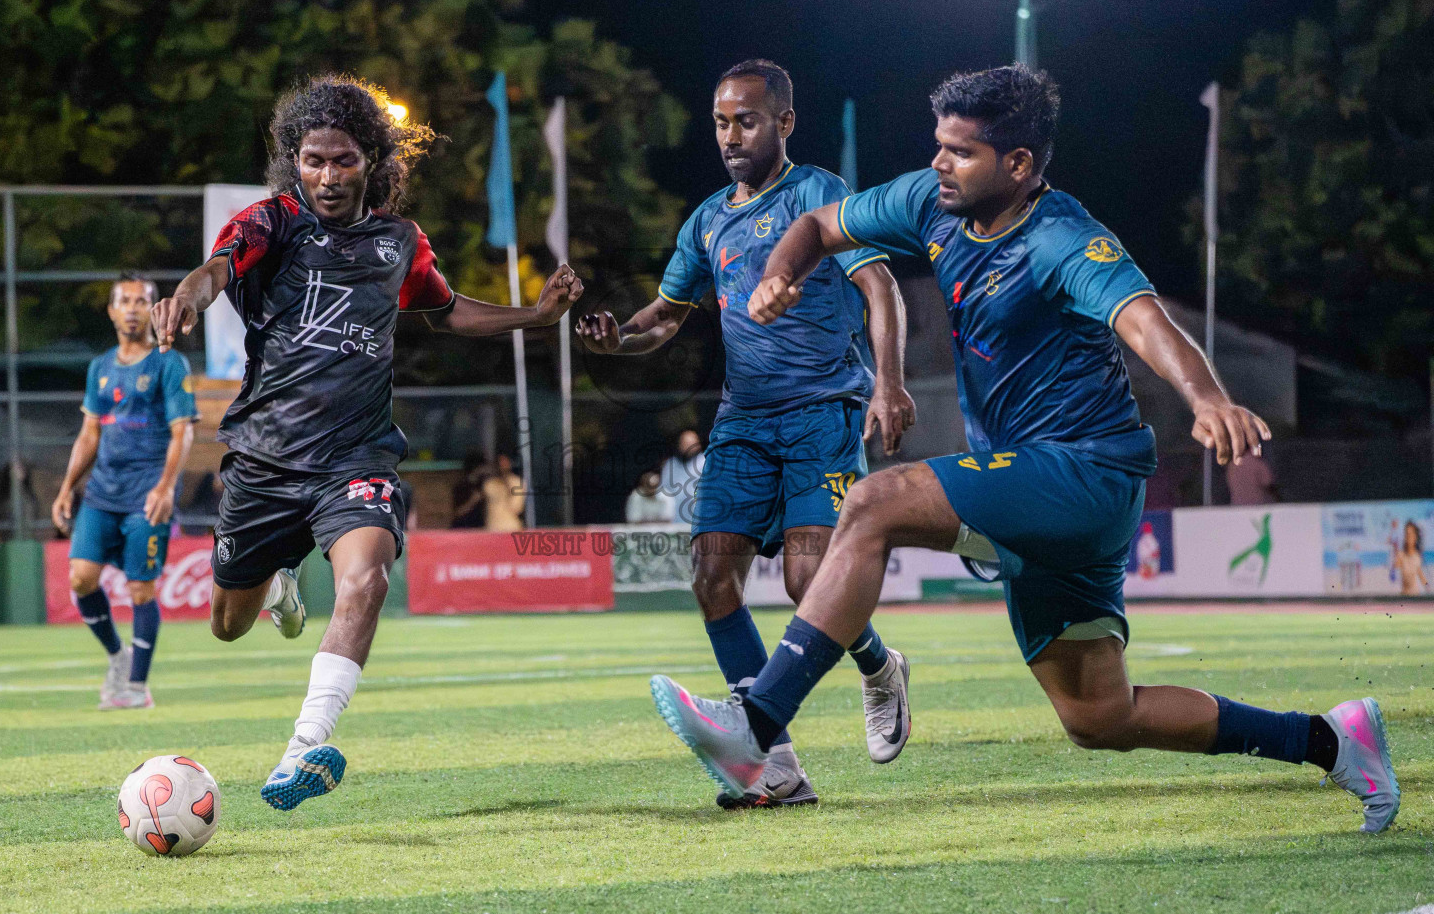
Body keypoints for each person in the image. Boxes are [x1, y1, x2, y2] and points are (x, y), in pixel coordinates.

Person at [649, 64, 1399, 834]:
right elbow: (817, 226)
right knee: (1100, 716)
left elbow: (1144, 322)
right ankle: (1332, 740)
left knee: (872, 501)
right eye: (938, 146)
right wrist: (779, 273)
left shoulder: (1062, 237)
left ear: (1018, 165)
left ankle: (758, 727)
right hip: (1034, 490)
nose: (938, 164)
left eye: (960, 152)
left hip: (1086, 471)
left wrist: (1207, 398)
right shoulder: (929, 201)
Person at [152, 75, 582, 811]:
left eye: (343, 160)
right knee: (227, 624)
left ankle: (304, 745)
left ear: (372, 161)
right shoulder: (271, 222)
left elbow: (445, 311)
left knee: (369, 577)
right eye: (313, 160)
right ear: (295, 160)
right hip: (264, 459)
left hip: (354, 458)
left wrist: (535, 318)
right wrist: (187, 297)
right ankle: (279, 583)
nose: (326, 175)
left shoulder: (399, 242)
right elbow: (218, 269)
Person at [578, 59, 915, 809]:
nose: (731, 136)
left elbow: (880, 285)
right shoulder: (706, 218)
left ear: (785, 123)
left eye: (748, 121)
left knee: (808, 582)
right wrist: (615, 343)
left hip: (823, 411)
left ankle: (880, 667)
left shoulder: (821, 193)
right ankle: (777, 767)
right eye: (722, 122)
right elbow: (663, 316)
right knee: (710, 575)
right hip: (743, 420)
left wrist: (888, 382)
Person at [51, 274, 198, 710]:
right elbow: (88, 434)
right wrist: (65, 489)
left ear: (155, 310)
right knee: (81, 577)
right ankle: (118, 657)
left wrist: (166, 488)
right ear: (113, 311)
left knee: (140, 591)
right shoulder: (100, 367)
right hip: (101, 493)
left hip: (146, 495)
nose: (133, 308)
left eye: (142, 301)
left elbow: (182, 434)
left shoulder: (170, 364)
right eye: (125, 301)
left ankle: (136, 687)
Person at [658, 429, 705, 525]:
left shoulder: (705, 463)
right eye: (685, 443)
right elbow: (662, 491)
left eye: (691, 444)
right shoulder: (670, 464)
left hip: (699, 521)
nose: (688, 447)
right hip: (674, 521)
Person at [482, 454, 525, 532]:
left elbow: (517, 508)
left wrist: (508, 486)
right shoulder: (490, 483)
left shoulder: (517, 482)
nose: (502, 466)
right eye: (500, 463)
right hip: (492, 528)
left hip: (511, 527)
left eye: (505, 462)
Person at [1391, 520, 1427, 596]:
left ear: (1415, 537)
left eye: (1410, 534)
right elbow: (1394, 578)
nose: (1408, 537)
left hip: (1416, 596)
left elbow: (1421, 576)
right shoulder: (1400, 555)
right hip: (1404, 597)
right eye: (1406, 534)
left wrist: (1428, 588)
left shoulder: (1417, 556)